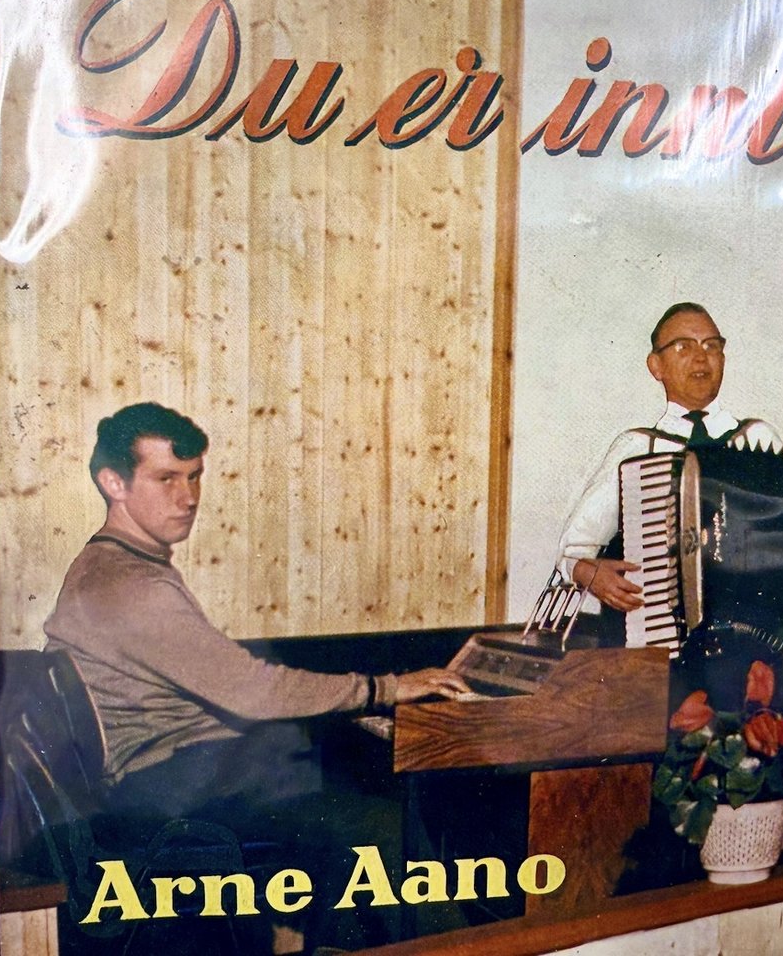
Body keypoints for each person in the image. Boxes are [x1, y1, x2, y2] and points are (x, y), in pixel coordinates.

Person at [44, 401, 468, 950]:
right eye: (167, 478)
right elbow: (251, 690)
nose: (188, 497)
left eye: (195, 476)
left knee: (350, 813)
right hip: (175, 790)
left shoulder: (113, 566)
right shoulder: (130, 585)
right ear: (113, 483)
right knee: (381, 833)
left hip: (177, 778)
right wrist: (387, 688)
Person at [557, 302, 783, 621]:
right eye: (683, 346)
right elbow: (572, 551)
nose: (700, 357)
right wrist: (589, 573)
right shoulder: (638, 448)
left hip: (750, 633)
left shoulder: (757, 440)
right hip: (657, 633)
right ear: (656, 366)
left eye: (711, 346)